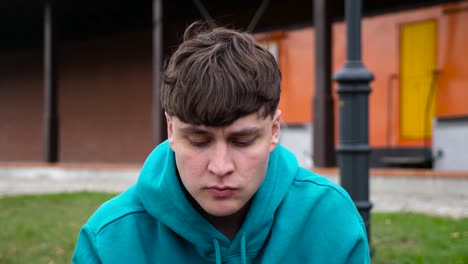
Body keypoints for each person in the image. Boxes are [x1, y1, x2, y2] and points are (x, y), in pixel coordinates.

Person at [72, 22, 370, 263]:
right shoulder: (111, 240)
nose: (221, 166)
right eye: (199, 140)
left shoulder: (330, 220)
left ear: (275, 130)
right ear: (171, 131)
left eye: (243, 141)